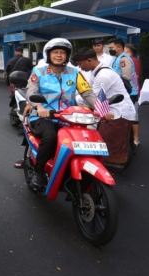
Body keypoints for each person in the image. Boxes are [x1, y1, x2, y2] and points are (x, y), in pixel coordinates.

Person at [23, 39, 97, 190]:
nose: (58, 55)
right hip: (43, 116)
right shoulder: (38, 72)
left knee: (88, 136)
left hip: (68, 116)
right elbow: (31, 92)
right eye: (55, 52)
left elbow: (87, 92)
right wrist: (38, 106)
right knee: (50, 136)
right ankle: (39, 170)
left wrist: (102, 109)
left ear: (67, 55)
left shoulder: (75, 73)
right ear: (48, 55)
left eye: (62, 52)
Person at [72, 48, 136, 164]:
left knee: (112, 148)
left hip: (118, 112)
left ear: (90, 60)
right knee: (113, 143)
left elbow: (93, 99)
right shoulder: (97, 71)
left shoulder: (103, 75)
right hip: (112, 109)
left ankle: (113, 170)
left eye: (81, 63)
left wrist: (75, 98)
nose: (80, 67)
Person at [108, 38, 140, 146]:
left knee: (129, 116)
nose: (110, 50)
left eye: (111, 48)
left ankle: (132, 142)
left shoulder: (123, 59)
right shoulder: (117, 59)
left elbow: (126, 77)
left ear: (119, 47)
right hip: (123, 92)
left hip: (128, 92)